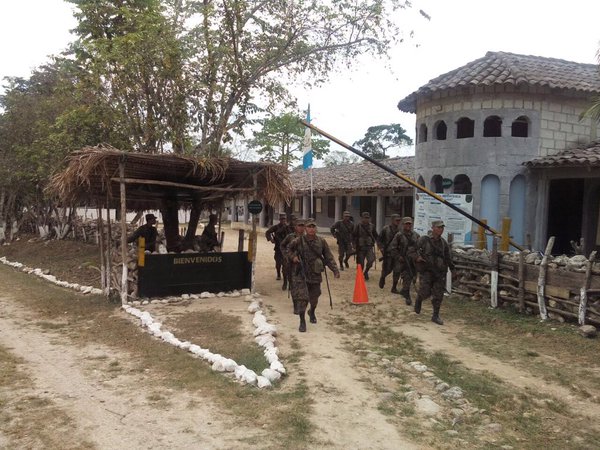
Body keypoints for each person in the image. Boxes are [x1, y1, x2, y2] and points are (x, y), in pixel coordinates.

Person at [288, 218, 340, 332]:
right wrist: (293, 257)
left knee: (314, 297)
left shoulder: (321, 241)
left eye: (313, 227)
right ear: (305, 229)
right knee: (303, 298)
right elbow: (288, 249)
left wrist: (335, 270)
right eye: (309, 227)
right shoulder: (298, 241)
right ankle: (302, 321)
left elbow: (328, 257)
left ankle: (312, 311)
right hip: (301, 274)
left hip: (315, 274)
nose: (311, 229)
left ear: (315, 228)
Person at [414, 220, 455, 325]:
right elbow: (413, 250)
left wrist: (452, 269)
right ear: (433, 228)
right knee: (425, 292)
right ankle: (419, 299)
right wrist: (417, 257)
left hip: (439, 273)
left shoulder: (443, 243)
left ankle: (435, 315)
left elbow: (448, 257)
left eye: (442, 227)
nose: (441, 229)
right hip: (427, 271)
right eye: (439, 227)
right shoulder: (424, 240)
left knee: (438, 295)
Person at [389, 217, 420, 303]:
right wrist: (398, 256)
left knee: (410, 276)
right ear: (403, 224)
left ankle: (405, 292)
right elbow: (393, 247)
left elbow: (419, 248)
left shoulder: (416, 235)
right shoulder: (399, 235)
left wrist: (417, 257)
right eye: (406, 224)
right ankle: (396, 288)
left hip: (411, 260)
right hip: (401, 258)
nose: (408, 225)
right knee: (397, 272)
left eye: (409, 224)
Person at [280, 218, 306, 307]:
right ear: (295, 227)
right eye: (299, 226)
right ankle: (295, 303)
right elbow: (282, 246)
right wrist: (286, 256)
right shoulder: (290, 237)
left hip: (305, 264)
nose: (301, 228)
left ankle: (303, 301)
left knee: (304, 283)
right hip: (292, 264)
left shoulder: (308, 237)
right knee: (293, 284)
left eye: (303, 226)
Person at [265, 213, 293, 285]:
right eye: (282, 219)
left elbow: (292, 235)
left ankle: (286, 278)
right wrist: (271, 239)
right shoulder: (276, 227)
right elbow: (267, 232)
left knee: (286, 264)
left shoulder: (288, 227)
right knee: (278, 263)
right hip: (278, 248)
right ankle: (278, 274)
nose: (283, 220)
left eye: (284, 219)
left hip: (286, 248)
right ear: (279, 220)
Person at [378, 214, 402, 290]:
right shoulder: (386, 229)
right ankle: (383, 277)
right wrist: (381, 248)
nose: (398, 222)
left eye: (399, 220)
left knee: (397, 270)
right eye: (396, 220)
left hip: (397, 254)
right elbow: (379, 239)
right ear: (392, 220)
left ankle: (394, 287)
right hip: (388, 253)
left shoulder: (400, 230)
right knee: (387, 269)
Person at [353, 211, 378, 280]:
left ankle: (366, 272)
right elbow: (354, 236)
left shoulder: (372, 226)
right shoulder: (358, 226)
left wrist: (378, 243)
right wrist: (354, 244)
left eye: (368, 218)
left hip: (369, 246)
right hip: (360, 247)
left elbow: (375, 235)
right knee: (360, 263)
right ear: (362, 218)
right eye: (365, 218)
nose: (366, 219)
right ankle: (360, 275)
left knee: (371, 260)